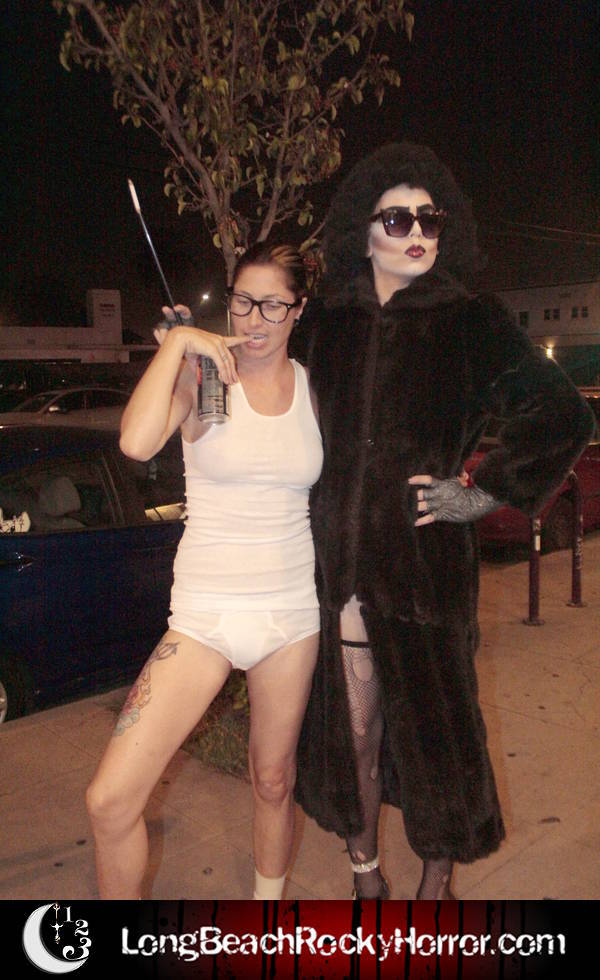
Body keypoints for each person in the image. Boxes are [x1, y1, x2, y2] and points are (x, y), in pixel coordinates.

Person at [291, 142, 595, 899]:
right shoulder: (325, 323)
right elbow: (260, 384)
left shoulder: (470, 321)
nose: (418, 232)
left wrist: (482, 492)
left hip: (427, 574)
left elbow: (561, 413)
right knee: (355, 734)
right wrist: (196, 351)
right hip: (339, 571)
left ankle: (436, 889)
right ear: (363, 232)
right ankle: (366, 878)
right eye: (398, 219)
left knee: (437, 746)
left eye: (429, 218)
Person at [86, 243, 323, 900]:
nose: (253, 318)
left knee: (273, 780)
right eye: (243, 301)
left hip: (289, 614)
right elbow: (135, 442)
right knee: (110, 801)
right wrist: (177, 346)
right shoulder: (203, 376)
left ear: (298, 310)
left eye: (272, 304)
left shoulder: (314, 388)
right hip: (204, 617)